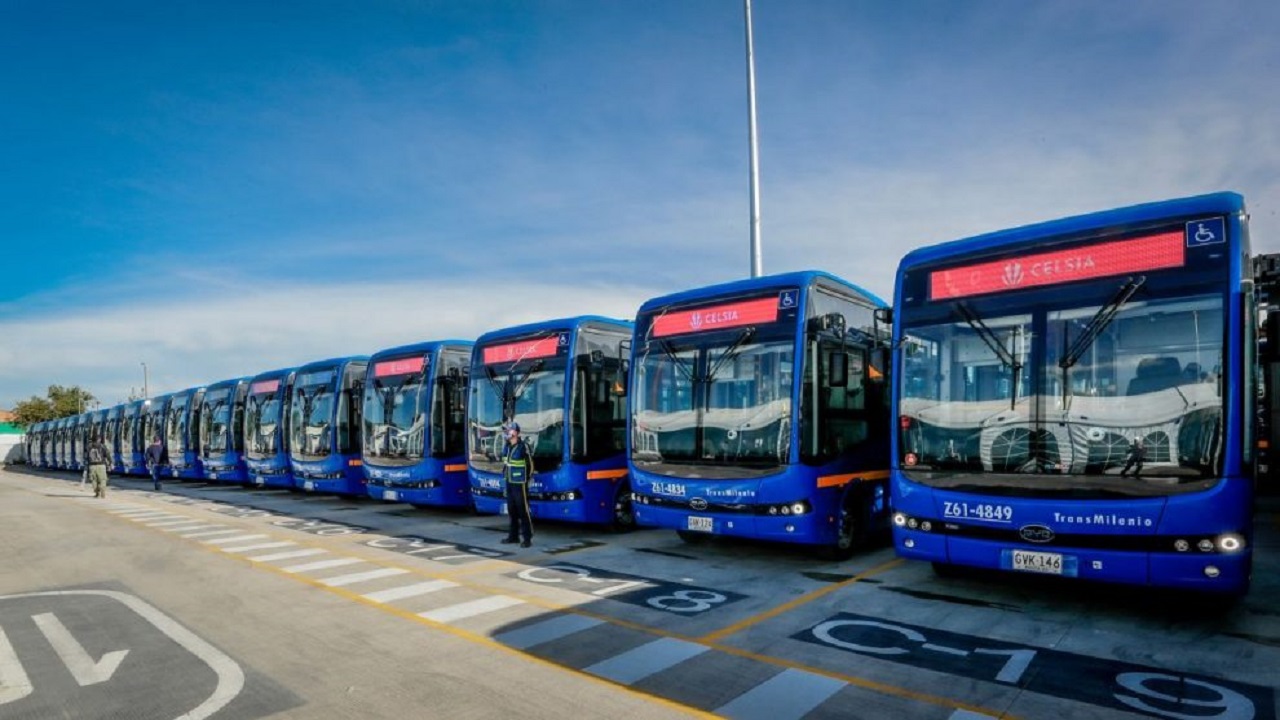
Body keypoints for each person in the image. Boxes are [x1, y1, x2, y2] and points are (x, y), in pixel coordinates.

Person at [500, 421, 534, 548]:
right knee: (511, 510)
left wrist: (526, 479)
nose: (507, 432)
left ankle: (527, 538)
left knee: (523, 510)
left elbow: (530, 465)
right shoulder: (507, 446)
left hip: (520, 483)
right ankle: (513, 536)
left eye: (510, 430)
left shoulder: (523, 446)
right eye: (507, 430)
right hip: (509, 482)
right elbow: (505, 463)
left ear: (516, 432)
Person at [86, 432, 111, 498]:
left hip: (92, 466)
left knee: (94, 480)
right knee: (102, 480)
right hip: (101, 465)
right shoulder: (102, 446)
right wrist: (110, 462)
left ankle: (97, 493)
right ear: (99, 439)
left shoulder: (89, 446)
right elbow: (107, 454)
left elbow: (86, 456)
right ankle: (102, 492)